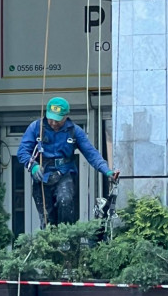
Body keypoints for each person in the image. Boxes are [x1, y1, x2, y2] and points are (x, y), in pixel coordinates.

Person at [17, 96, 115, 228]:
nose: (53, 123)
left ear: (66, 116)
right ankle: (49, 238)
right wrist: (33, 166)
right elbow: (22, 151)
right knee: (47, 218)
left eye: (57, 120)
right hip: (42, 175)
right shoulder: (36, 127)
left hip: (64, 173)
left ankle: (67, 234)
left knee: (65, 200)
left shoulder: (74, 131)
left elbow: (91, 154)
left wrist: (107, 171)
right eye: (50, 118)